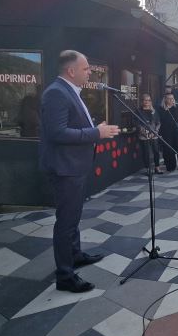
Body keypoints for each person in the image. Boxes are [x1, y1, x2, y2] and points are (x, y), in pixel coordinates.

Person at [40, 50, 119, 293]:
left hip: (74, 166)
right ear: (71, 71)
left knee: (73, 217)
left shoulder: (69, 91)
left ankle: (74, 255)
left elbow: (72, 126)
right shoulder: (56, 93)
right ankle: (65, 275)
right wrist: (96, 133)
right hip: (65, 168)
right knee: (66, 222)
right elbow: (57, 133)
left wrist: (95, 128)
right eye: (86, 68)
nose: (90, 72)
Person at [136, 93, 163, 174]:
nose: (147, 102)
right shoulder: (138, 111)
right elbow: (137, 124)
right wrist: (145, 133)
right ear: (142, 101)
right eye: (145, 100)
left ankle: (157, 167)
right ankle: (148, 169)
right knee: (146, 153)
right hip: (144, 136)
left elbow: (158, 122)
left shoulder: (154, 111)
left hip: (154, 134)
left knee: (156, 151)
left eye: (149, 100)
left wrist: (155, 132)